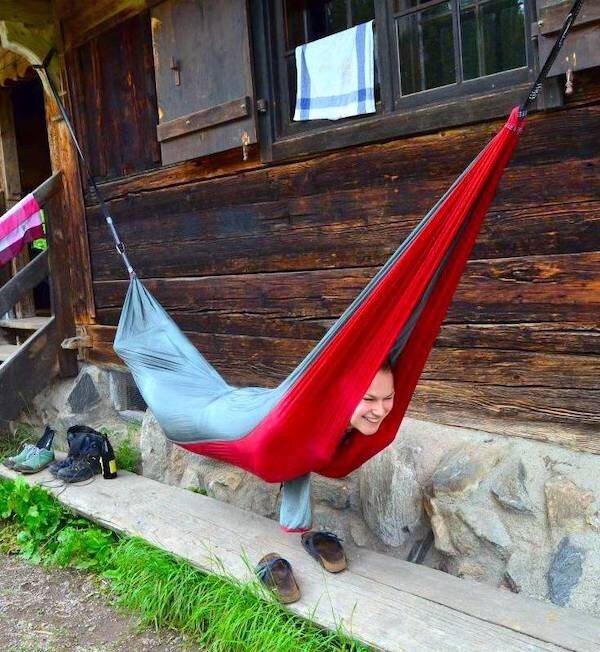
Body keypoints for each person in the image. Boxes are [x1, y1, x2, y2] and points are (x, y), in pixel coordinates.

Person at [280, 360, 395, 533]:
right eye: (368, 399)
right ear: (342, 394)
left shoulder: (351, 424)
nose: (379, 411)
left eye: (388, 398)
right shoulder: (312, 425)